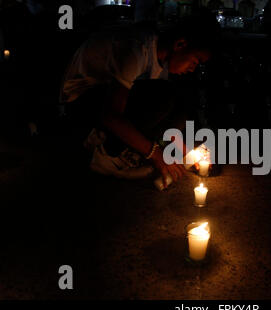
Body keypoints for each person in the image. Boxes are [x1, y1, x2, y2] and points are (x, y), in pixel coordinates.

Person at [60, 10, 219, 187]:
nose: (192, 69)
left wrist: (188, 155)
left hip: (103, 97)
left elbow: (168, 118)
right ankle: (107, 155)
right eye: (195, 61)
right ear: (180, 44)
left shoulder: (161, 61)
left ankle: (127, 147)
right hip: (79, 103)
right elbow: (110, 115)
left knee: (177, 104)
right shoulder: (137, 49)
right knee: (164, 96)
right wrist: (155, 155)